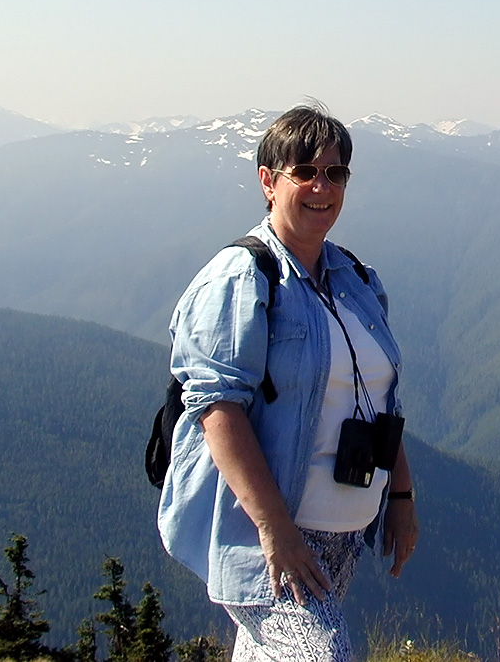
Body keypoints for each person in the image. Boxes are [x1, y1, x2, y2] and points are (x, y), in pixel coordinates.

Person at [158, 104, 418, 661]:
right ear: (269, 182)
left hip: (342, 533)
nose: (322, 185)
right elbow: (217, 411)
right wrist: (275, 531)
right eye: (305, 171)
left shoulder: (356, 279)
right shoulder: (241, 277)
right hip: (267, 534)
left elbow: (380, 401)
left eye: (336, 172)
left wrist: (400, 496)